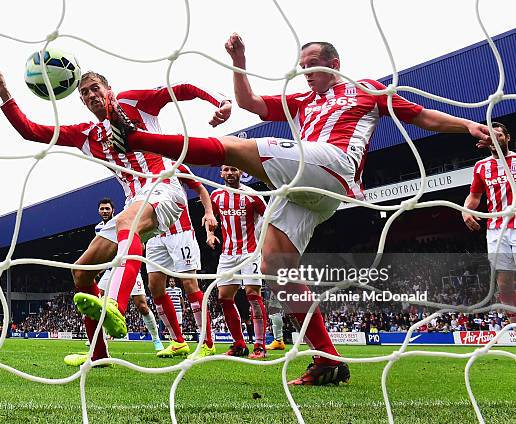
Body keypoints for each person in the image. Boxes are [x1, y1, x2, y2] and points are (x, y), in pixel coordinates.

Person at [101, 34, 497, 385]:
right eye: (302, 67)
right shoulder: (302, 100)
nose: (306, 73)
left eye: (312, 66)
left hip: (336, 164)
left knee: (238, 149)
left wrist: (468, 125)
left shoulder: (367, 90)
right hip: (305, 186)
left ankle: (135, 138)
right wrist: (240, 62)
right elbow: (249, 102)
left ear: (334, 64)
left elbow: (420, 115)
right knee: (275, 268)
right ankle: (327, 358)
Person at [0, 68, 232, 363]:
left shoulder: (133, 104)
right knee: (80, 272)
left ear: (109, 90)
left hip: (164, 188)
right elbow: (31, 131)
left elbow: (181, 88)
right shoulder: (87, 135)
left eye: (95, 89)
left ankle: (115, 304)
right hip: (135, 200)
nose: (91, 95)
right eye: (84, 93)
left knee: (129, 224)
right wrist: (5, 95)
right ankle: (98, 353)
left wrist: (220, 101)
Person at [147, 168, 218, 359]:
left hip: (181, 234)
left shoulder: (174, 165)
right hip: (154, 237)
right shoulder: (137, 169)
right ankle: (178, 341)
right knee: (155, 288)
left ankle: (207, 343)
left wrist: (209, 212)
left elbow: (200, 189)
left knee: (189, 283)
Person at [206, 165, 268, 359]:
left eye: (234, 169)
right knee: (224, 298)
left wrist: (265, 245)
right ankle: (239, 343)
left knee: (252, 295)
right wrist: (210, 234)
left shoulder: (253, 196)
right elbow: (210, 217)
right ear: (221, 173)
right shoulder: (216, 196)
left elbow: (268, 219)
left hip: (250, 252)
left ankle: (259, 345)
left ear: (241, 172)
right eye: (226, 170)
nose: (230, 173)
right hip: (227, 254)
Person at [462, 122, 516, 324]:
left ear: (507, 138)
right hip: (495, 229)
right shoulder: (481, 167)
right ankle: (514, 327)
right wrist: (466, 211)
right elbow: (474, 196)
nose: (495, 139)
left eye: (499, 135)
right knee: (504, 283)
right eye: (491, 136)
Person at [94, 198, 163, 352]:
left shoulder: (123, 221)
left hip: (128, 267)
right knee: (98, 302)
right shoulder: (98, 228)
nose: (105, 211)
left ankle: (156, 338)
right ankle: (99, 339)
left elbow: (140, 242)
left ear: (113, 210)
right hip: (110, 270)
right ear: (98, 211)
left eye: (107, 209)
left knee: (142, 305)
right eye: (102, 209)